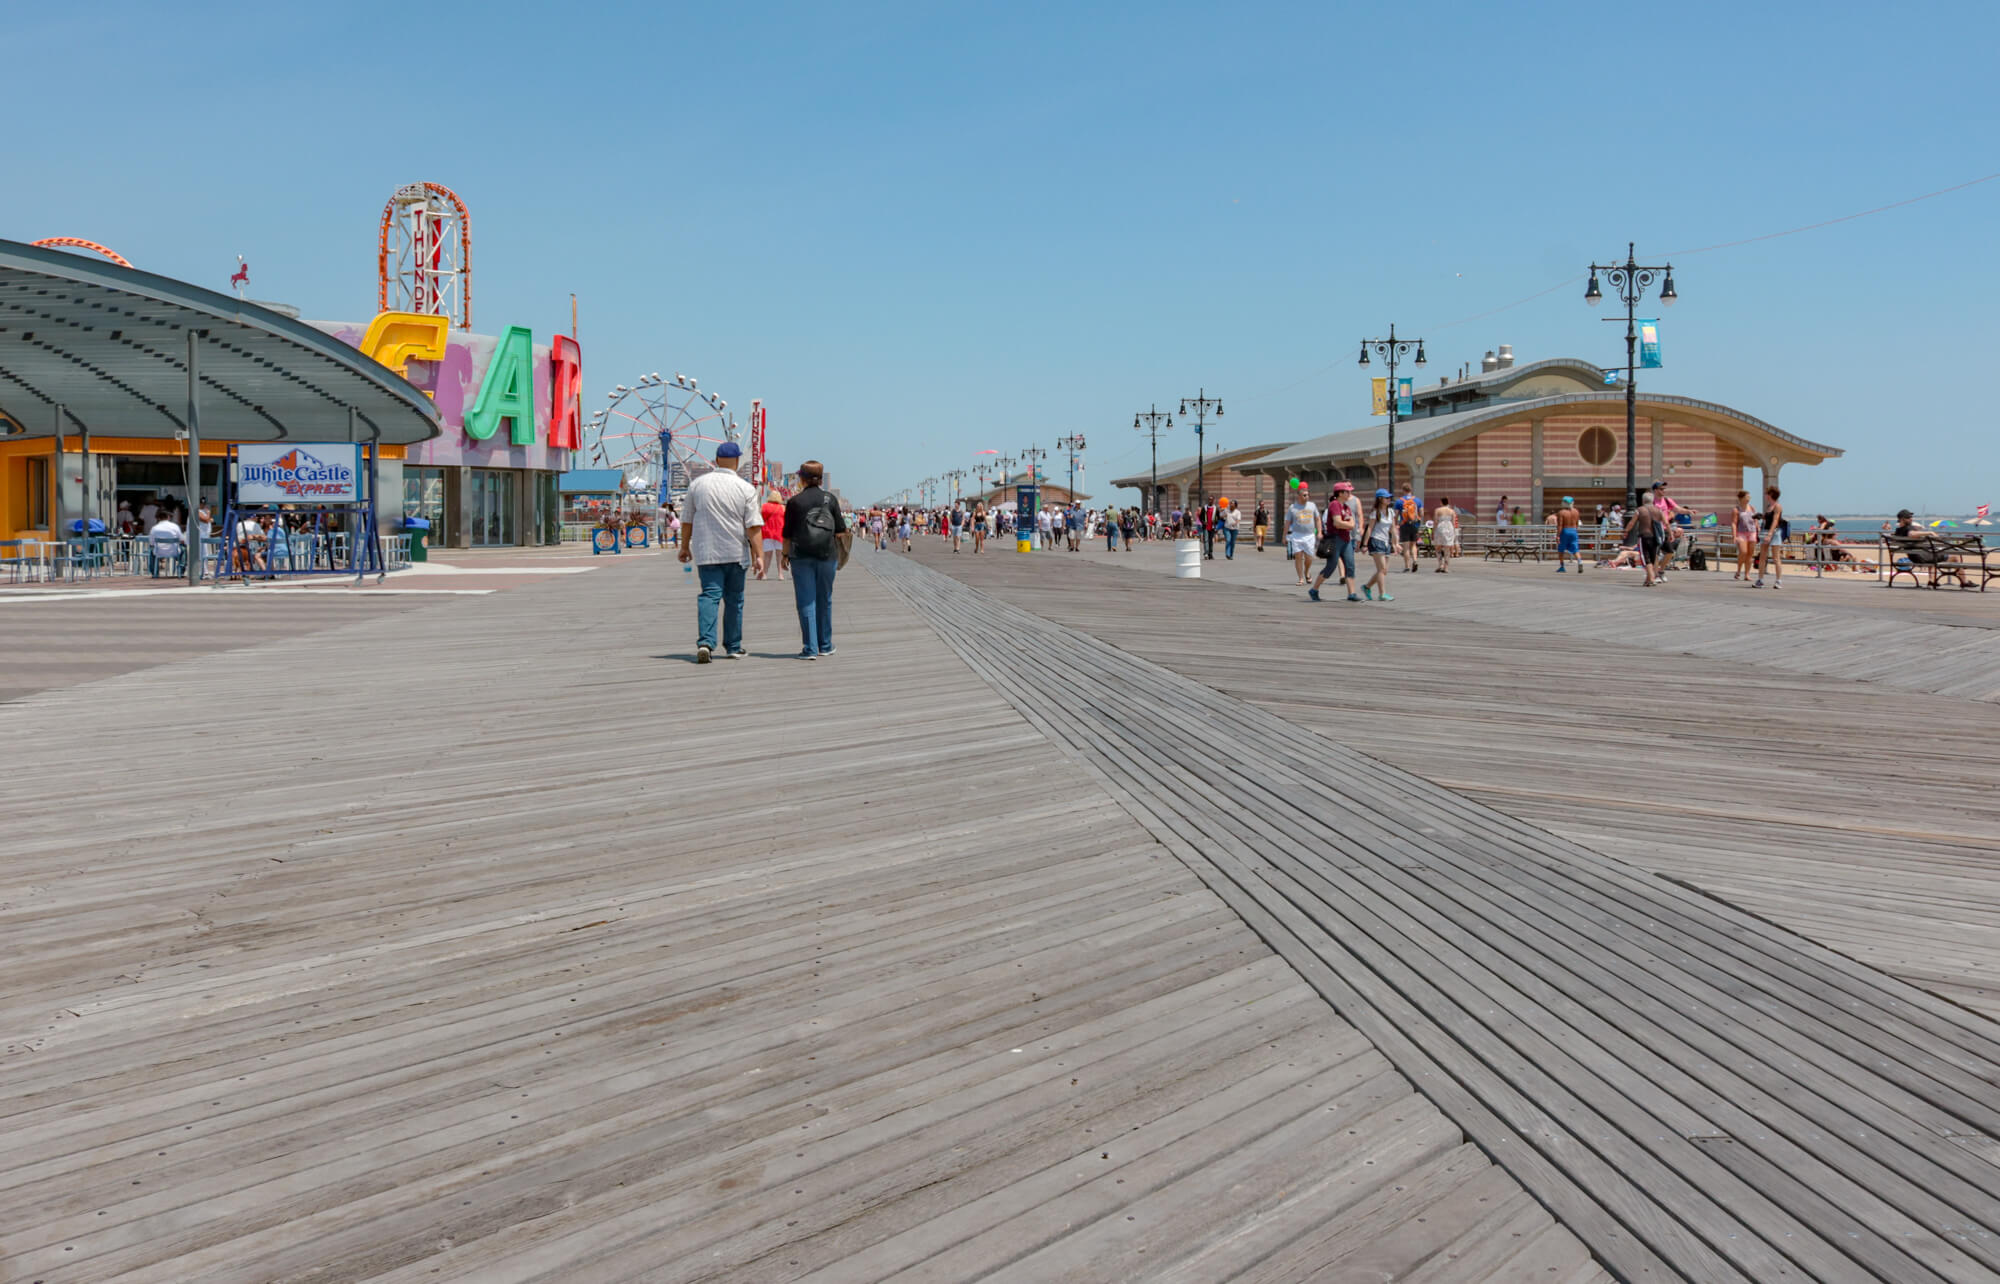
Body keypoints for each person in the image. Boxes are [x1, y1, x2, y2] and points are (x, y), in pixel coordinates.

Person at [678, 442, 763, 662]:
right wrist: (759, 556)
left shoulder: (697, 485)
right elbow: (753, 526)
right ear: (737, 462)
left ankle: (706, 642)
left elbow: (686, 520)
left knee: (709, 596)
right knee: (735, 600)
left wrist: (684, 546)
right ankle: (733, 646)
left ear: (715, 461)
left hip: (707, 553)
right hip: (736, 553)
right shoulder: (745, 488)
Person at [780, 460, 849, 659]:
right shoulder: (830, 499)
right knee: (824, 599)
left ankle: (810, 648)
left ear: (801, 478)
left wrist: (785, 555)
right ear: (820, 477)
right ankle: (825, 645)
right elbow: (840, 529)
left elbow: (787, 534)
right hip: (827, 556)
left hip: (801, 557)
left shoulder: (794, 502)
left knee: (805, 600)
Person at [1308, 481, 1361, 602]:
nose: (1349, 494)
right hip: (1335, 539)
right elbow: (1337, 523)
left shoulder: (1346, 507)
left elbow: (1352, 523)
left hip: (1346, 539)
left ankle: (1351, 593)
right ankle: (1314, 589)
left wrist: (1347, 524)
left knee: (1350, 565)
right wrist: (1348, 524)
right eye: (1347, 491)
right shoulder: (1334, 504)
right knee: (1331, 566)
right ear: (1340, 493)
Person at [1360, 489, 1397, 601]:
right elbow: (1370, 528)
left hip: (1386, 542)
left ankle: (1367, 587)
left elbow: (1393, 528)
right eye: (1386, 498)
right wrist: (1365, 544)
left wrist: (1396, 543)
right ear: (1380, 499)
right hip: (1376, 541)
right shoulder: (1375, 513)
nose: (1389, 499)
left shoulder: (1391, 512)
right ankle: (1382, 594)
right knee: (1381, 569)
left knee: (1384, 570)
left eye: (1389, 497)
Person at [1751, 484, 1786, 589]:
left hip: (1774, 533)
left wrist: (1770, 534)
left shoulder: (1777, 506)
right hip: (1765, 531)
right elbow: (1768, 519)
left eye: (1767, 493)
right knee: (1762, 556)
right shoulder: (1768, 507)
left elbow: (1775, 521)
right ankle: (1760, 580)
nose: (1765, 495)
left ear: (1771, 494)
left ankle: (1778, 581)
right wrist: (1760, 517)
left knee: (1776, 558)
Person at [1285, 486, 1320, 586]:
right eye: (1305, 495)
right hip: (1296, 535)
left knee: (1309, 558)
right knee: (1298, 557)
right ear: (1299, 496)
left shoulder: (1312, 506)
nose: (1307, 497)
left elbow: (1317, 519)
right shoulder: (1293, 507)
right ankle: (1300, 578)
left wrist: (1320, 532)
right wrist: (1284, 536)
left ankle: (1307, 571)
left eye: (1308, 495)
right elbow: (1287, 522)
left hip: (1309, 535)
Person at [758, 490, 788, 580]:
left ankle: (765, 574)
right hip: (779, 533)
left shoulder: (764, 506)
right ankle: (780, 574)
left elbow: (760, 519)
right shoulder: (782, 508)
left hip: (767, 533)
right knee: (779, 555)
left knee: (767, 555)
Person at [1731, 490, 1758, 580]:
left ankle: (1747, 574)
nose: (1749, 498)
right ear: (1742, 498)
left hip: (1752, 532)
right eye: (1747, 496)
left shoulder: (1752, 508)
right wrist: (1734, 536)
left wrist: (1758, 526)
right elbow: (1734, 523)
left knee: (1750, 554)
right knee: (1743, 552)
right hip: (1741, 533)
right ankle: (1738, 570)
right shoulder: (1736, 510)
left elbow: (1755, 519)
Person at [1395, 484, 1423, 572]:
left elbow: (1395, 515)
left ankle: (1407, 566)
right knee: (1413, 545)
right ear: (1411, 490)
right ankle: (1415, 560)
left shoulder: (1399, 501)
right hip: (1414, 525)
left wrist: (1397, 523)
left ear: (1403, 490)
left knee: (1406, 547)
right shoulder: (1417, 500)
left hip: (1404, 525)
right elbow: (1421, 514)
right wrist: (1417, 520)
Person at [1554, 496, 1583, 573]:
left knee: (1561, 549)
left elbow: (1560, 525)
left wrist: (1557, 536)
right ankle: (1580, 561)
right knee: (1575, 549)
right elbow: (1577, 524)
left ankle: (1562, 566)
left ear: (1564, 503)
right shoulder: (1576, 511)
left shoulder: (1561, 512)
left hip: (1565, 531)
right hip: (1573, 530)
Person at [1431, 496, 1460, 573]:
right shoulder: (1452, 511)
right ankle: (1446, 567)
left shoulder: (1437, 510)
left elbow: (1435, 521)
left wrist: (1433, 532)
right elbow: (1453, 523)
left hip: (1440, 528)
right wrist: (1453, 532)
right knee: (1447, 548)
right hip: (1449, 528)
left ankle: (1440, 565)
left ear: (1441, 502)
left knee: (1438, 547)